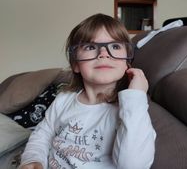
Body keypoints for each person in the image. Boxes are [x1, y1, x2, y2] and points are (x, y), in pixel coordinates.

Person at [19, 13, 156, 169]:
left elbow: (133, 165)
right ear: (75, 64)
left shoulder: (131, 111)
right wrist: (33, 159)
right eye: (91, 47)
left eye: (115, 46)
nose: (104, 54)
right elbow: (43, 133)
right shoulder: (64, 99)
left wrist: (136, 97)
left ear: (127, 61)